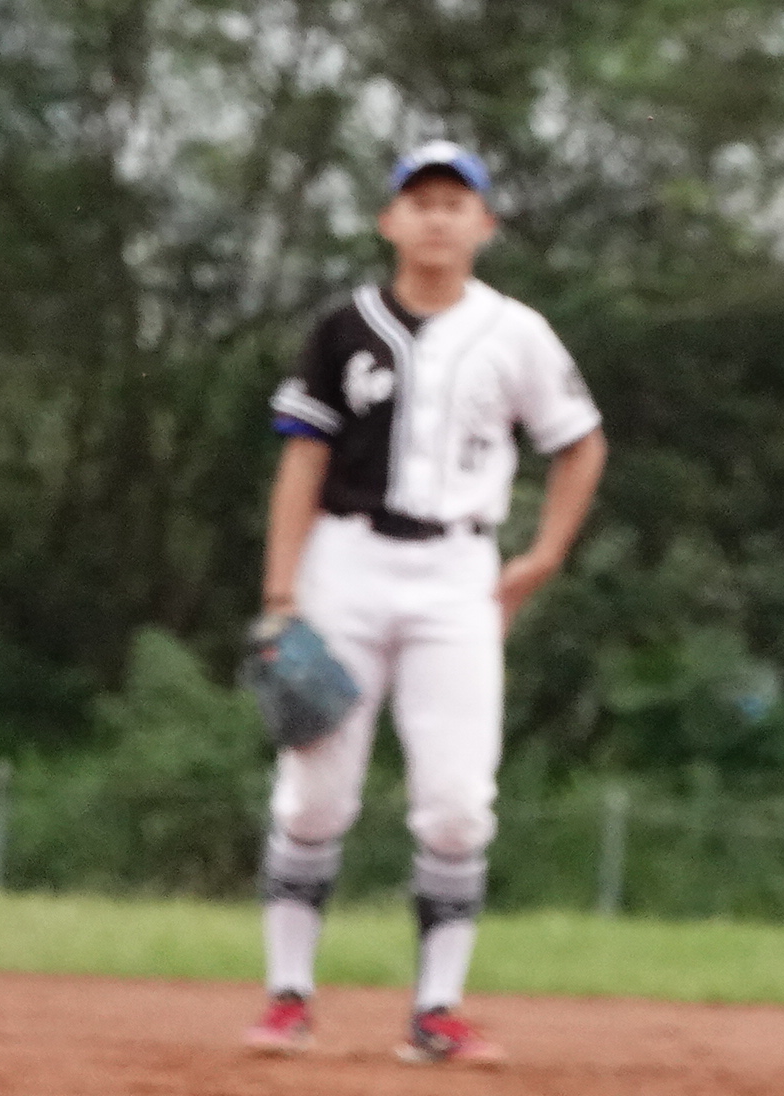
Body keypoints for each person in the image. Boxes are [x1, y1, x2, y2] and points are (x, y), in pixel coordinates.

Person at [241, 140, 607, 1064]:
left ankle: (437, 1012)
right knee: (315, 793)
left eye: (455, 202)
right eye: (421, 201)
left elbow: (580, 440)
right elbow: (304, 459)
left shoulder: (516, 332)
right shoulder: (343, 327)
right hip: (346, 562)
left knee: (455, 802)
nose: (437, 217)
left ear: (484, 224)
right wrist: (282, 593)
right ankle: (288, 998)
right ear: (390, 221)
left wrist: (544, 556)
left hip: (458, 571)